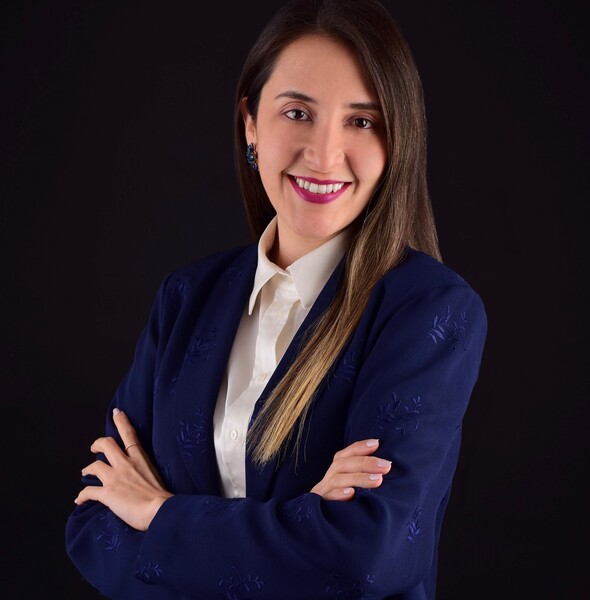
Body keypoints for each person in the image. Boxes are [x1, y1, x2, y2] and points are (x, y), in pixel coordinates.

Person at [65, 0, 487, 597]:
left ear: (398, 140)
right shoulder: (186, 297)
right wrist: (302, 524)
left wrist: (158, 513)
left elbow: (366, 558)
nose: (324, 154)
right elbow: (93, 527)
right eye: (297, 113)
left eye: (362, 121)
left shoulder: (429, 311)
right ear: (251, 125)